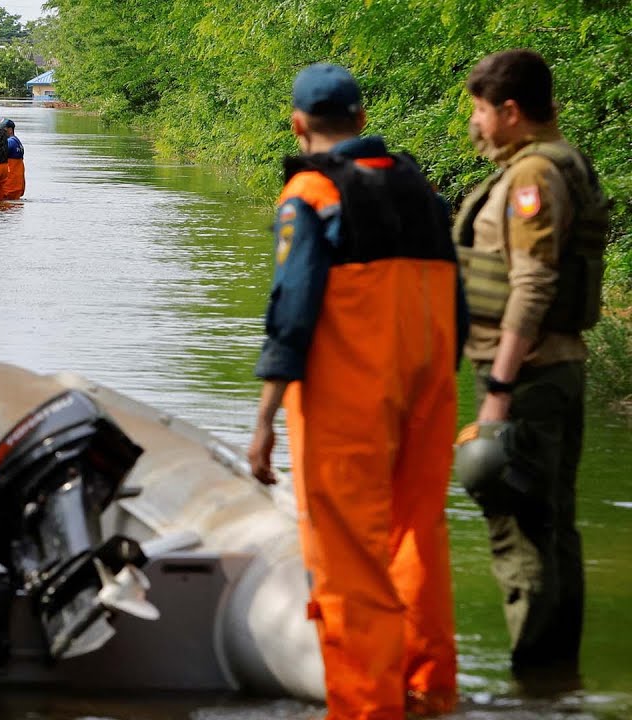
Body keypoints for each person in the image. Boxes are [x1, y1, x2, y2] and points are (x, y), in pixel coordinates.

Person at [246, 63, 463, 719]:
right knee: (417, 536)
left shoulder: (311, 194)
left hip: (350, 400)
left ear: (298, 124)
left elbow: (293, 311)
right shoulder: (421, 188)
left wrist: (263, 421)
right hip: (430, 388)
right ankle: (429, 690)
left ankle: (368, 707)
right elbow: (459, 297)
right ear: (364, 122)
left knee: (347, 557)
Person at [453, 49, 608, 692]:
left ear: (510, 111)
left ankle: (533, 693)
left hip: (530, 379)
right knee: (552, 530)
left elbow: (533, 285)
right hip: (551, 375)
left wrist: (497, 390)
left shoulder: (533, 179)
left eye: (480, 112)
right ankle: (558, 687)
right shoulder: (554, 163)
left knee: (521, 537)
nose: (475, 126)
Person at [4, 119, 25, 200]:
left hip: (9, 187)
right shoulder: (17, 142)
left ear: (10, 130)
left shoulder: (9, 142)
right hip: (17, 187)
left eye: (3, 130)